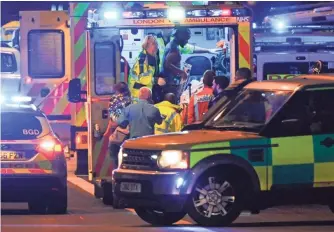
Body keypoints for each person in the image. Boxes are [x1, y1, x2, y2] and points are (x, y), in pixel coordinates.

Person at [103, 82, 132, 168]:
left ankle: (116, 172)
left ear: (117, 90)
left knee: (115, 155)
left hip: (117, 130)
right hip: (129, 130)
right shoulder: (131, 100)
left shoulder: (114, 99)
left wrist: (107, 131)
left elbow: (112, 117)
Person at [128, 35, 158, 103]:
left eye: (156, 43)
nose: (156, 46)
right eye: (153, 44)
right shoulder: (143, 59)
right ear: (147, 45)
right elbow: (143, 79)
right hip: (138, 97)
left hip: (142, 96)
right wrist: (156, 80)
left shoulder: (149, 57)